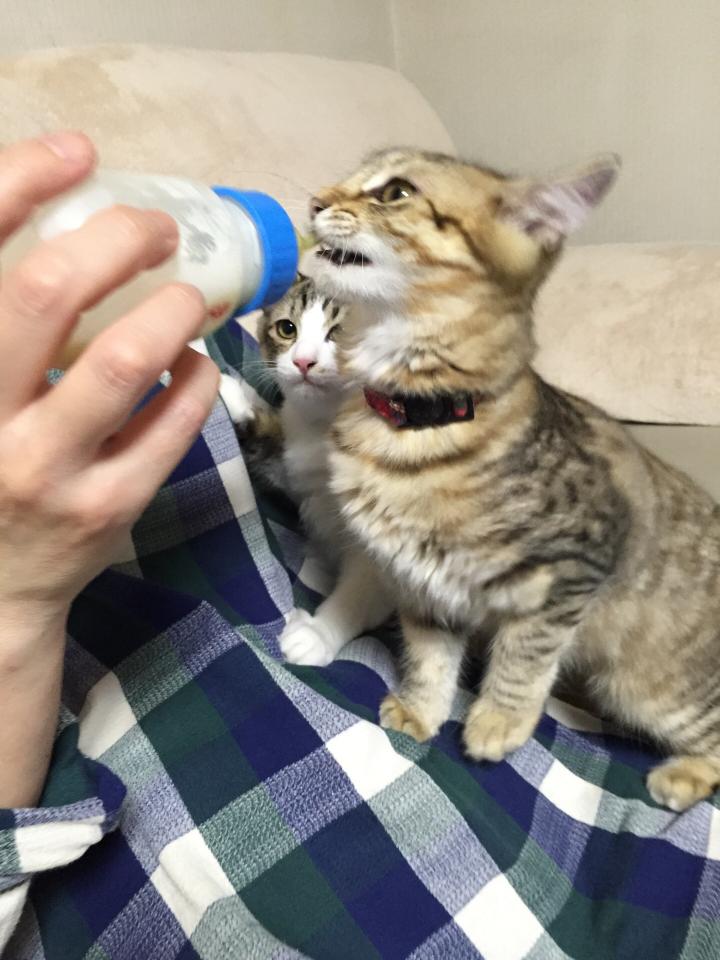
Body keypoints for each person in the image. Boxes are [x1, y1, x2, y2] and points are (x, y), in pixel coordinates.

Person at [1, 133, 718, 960]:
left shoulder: (495, 425)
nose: (328, 199)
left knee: (654, 698)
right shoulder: (330, 386)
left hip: (651, 632)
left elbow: (571, 567)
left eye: (393, 192)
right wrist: (428, 692)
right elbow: (424, 578)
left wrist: (511, 700)